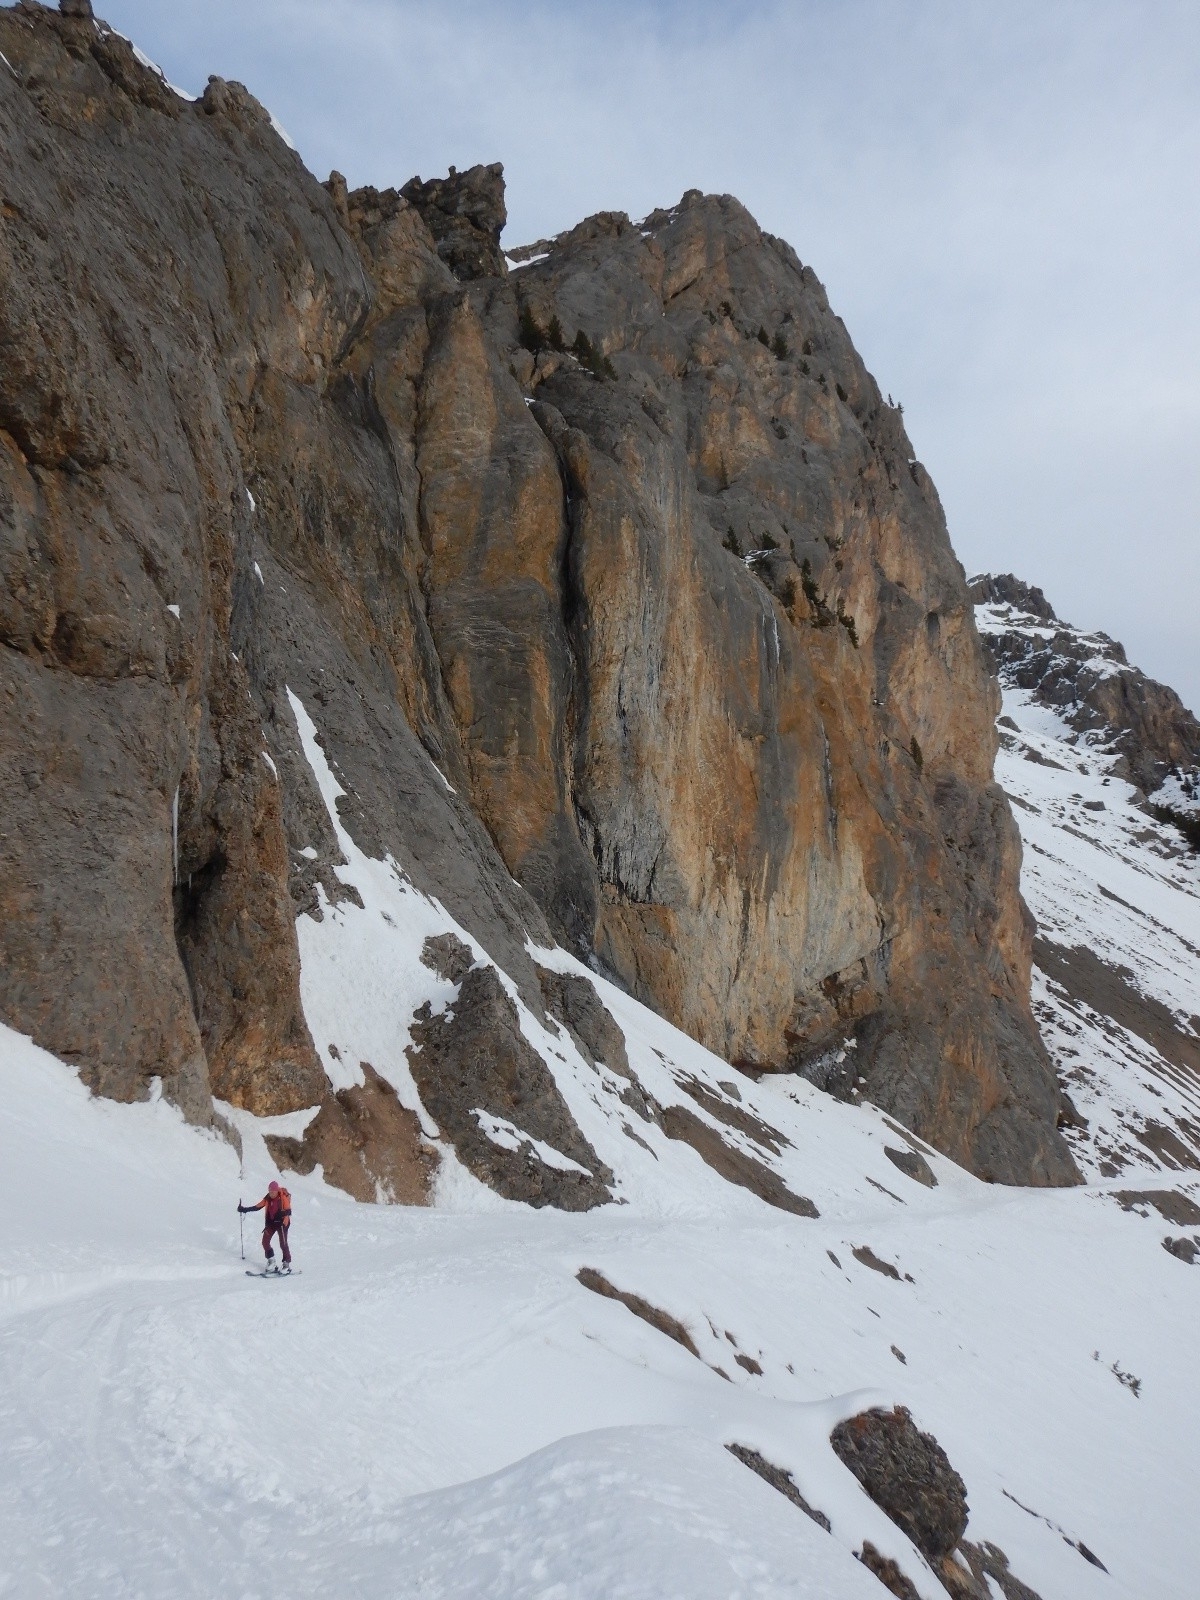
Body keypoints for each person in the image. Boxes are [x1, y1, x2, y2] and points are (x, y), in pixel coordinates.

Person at [239, 1181, 292, 1273]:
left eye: (273, 1192)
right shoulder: (267, 1198)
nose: (271, 1193)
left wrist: (281, 1213)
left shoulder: (283, 1198)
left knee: (283, 1244)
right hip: (271, 1223)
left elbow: (289, 1211)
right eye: (270, 1191)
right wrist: (244, 1209)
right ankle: (271, 1261)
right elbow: (257, 1207)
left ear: (276, 1191)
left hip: (282, 1223)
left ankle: (286, 1264)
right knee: (265, 1242)